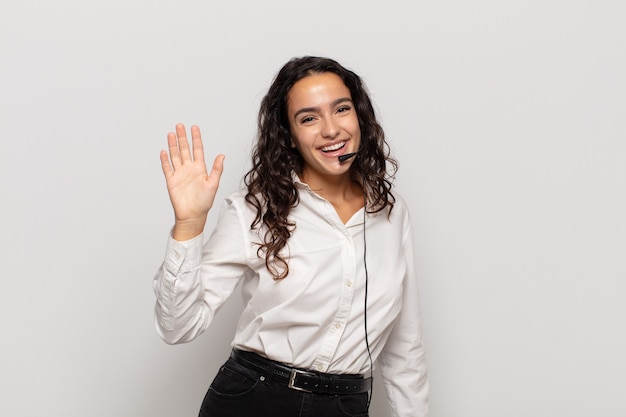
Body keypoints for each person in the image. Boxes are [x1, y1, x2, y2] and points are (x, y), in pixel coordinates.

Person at [153, 56, 429, 417]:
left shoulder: (391, 213)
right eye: (309, 118)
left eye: (341, 109)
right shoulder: (254, 210)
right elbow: (178, 327)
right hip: (253, 400)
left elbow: (403, 345)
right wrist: (188, 226)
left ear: (359, 116)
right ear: (290, 136)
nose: (331, 130)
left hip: (345, 406)